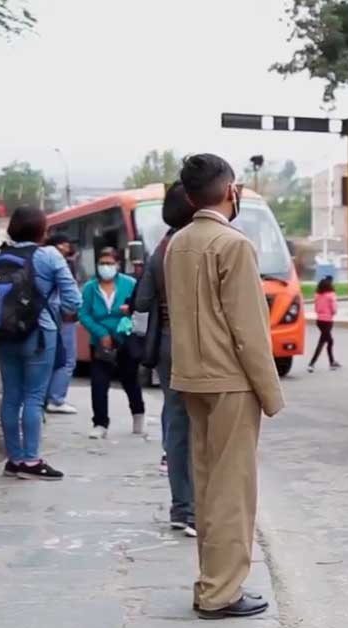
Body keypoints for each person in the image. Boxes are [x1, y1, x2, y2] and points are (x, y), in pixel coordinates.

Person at [165, 154, 284, 619]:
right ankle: (222, 592)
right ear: (231, 191)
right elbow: (249, 329)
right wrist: (270, 393)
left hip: (190, 377)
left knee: (207, 484)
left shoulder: (178, 243)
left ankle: (209, 582)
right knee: (233, 490)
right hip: (231, 381)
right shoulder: (233, 244)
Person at [0, 207, 82, 480]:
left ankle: (14, 460)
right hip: (39, 335)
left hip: (4, 333)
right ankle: (31, 461)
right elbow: (74, 301)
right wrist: (53, 306)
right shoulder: (49, 255)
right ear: (42, 230)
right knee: (34, 397)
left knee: (11, 396)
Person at [134, 181, 196, 538]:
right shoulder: (191, 244)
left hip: (166, 345)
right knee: (195, 426)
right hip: (191, 342)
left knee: (175, 423)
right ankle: (193, 511)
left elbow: (142, 301)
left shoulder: (161, 247)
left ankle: (181, 508)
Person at [78, 247, 145, 439]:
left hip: (125, 339)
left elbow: (140, 307)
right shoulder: (90, 288)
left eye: (110, 263)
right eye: (102, 263)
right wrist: (101, 334)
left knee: (130, 379)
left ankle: (138, 414)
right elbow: (84, 314)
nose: (106, 267)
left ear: (118, 265)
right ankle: (100, 423)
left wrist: (129, 310)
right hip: (100, 342)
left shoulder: (129, 284)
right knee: (99, 383)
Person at [44, 232, 80, 414]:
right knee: (67, 359)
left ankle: (46, 397)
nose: (67, 248)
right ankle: (56, 399)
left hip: (45, 315)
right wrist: (70, 310)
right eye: (64, 244)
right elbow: (71, 295)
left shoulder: (40, 260)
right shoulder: (62, 263)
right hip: (63, 317)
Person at [308, 276, 341, 372]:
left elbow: (316, 308)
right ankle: (312, 364)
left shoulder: (317, 295)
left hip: (319, 321)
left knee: (328, 341)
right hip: (327, 321)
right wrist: (332, 313)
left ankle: (332, 362)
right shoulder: (331, 295)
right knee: (325, 342)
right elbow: (334, 309)